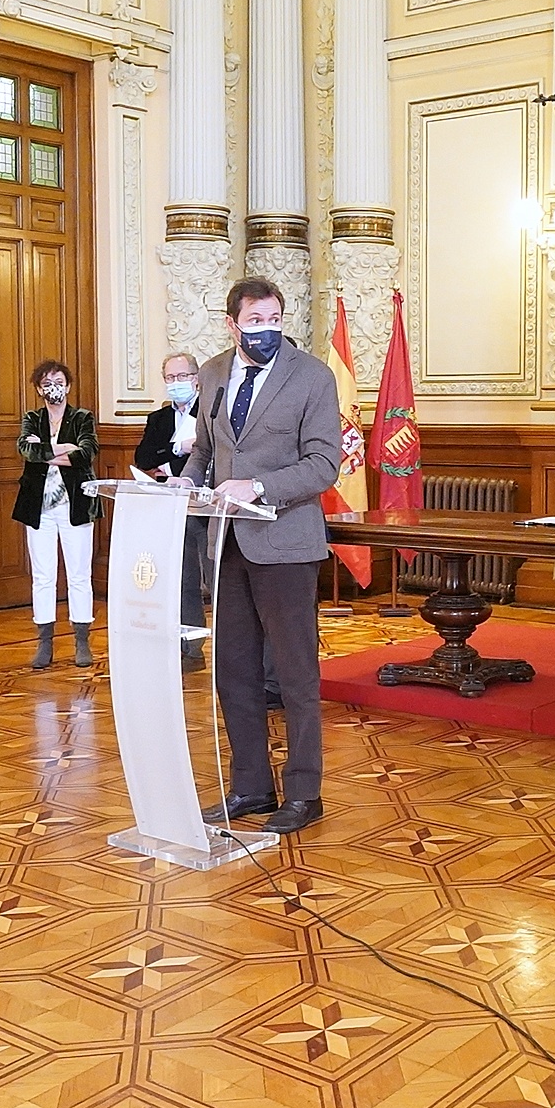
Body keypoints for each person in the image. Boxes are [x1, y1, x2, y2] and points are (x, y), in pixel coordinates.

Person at [188, 278, 342, 833]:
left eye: (274, 318)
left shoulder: (312, 376)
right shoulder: (212, 373)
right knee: (233, 670)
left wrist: (257, 487)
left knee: (295, 675)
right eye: (255, 320)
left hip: (286, 543)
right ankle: (251, 785)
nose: (266, 329)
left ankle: (304, 793)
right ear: (232, 324)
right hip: (227, 543)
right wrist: (183, 484)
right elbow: (205, 450)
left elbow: (324, 464)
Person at [15, 359, 99, 670]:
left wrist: (47, 450)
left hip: (75, 505)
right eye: (47, 383)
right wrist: (64, 449)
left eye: (59, 382)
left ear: (68, 386)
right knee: (43, 576)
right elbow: (27, 451)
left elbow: (86, 454)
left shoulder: (82, 417)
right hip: (39, 509)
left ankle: (81, 640)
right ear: (39, 389)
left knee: (79, 575)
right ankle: (45, 642)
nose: (54, 388)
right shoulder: (31, 419)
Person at [135, 351, 209, 670]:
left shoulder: (209, 410)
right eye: (170, 378)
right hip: (171, 508)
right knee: (183, 579)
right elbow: (144, 458)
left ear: (196, 378)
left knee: (216, 579)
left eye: (182, 377)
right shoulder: (159, 419)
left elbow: (208, 454)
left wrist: (172, 463)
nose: (176, 383)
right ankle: (191, 648)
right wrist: (178, 448)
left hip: (206, 507)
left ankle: (231, 649)